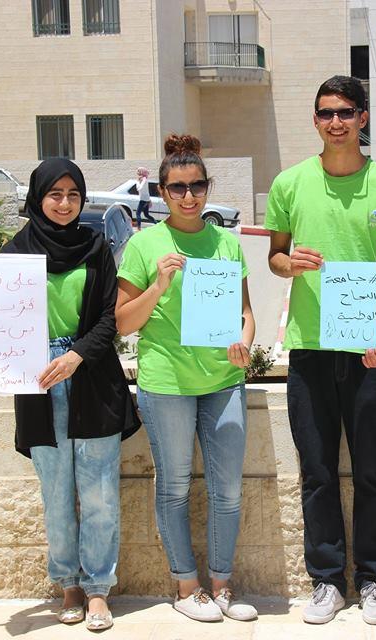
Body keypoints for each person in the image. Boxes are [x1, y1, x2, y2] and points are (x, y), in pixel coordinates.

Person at [0, 158, 139, 632]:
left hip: (92, 379)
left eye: (73, 194)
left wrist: (76, 356)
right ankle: (68, 584)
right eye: (55, 194)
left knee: (100, 494)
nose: (65, 203)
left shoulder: (96, 247)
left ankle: (97, 589)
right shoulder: (14, 253)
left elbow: (109, 317)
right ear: (37, 198)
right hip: (36, 384)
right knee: (56, 495)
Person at [265, 75, 376, 626]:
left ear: (362, 119)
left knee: (372, 470)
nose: (336, 122)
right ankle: (327, 581)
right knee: (318, 472)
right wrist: (290, 264)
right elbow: (274, 257)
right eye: (326, 112)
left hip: (368, 351)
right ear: (315, 120)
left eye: (346, 112)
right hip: (309, 350)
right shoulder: (289, 183)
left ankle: (373, 579)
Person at [114, 134, 258, 623]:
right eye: (178, 188)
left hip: (223, 381)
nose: (189, 196)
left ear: (207, 187)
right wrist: (158, 285)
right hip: (167, 384)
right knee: (174, 487)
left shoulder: (226, 243)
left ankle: (221, 584)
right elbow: (122, 323)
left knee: (228, 490)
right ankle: (186, 586)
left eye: (197, 186)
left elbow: (245, 313)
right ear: (162, 192)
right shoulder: (144, 245)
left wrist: (244, 343)